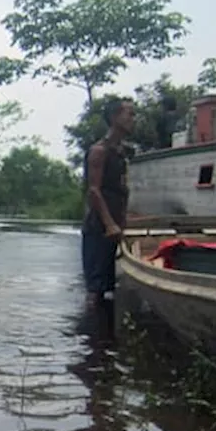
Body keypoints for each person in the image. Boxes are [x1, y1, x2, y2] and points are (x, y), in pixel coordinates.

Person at [82, 97, 135, 307]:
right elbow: (94, 190)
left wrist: (122, 221)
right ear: (114, 118)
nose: (133, 119)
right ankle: (90, 336)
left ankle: (106, 336)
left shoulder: (120, 153)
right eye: (129, 114)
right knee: (96, 290)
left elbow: (120, 190)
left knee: (110, 287)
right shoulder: (99, 151)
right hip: (99, 228)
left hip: (115, 226)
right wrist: (109, 223)